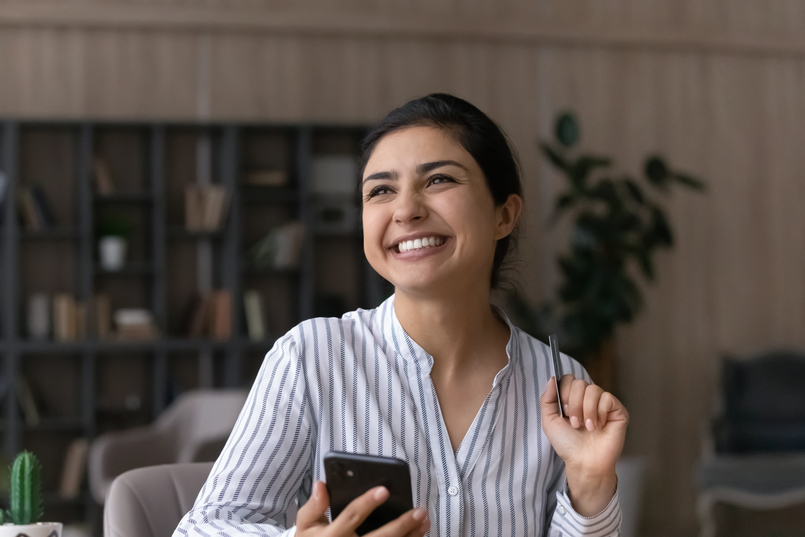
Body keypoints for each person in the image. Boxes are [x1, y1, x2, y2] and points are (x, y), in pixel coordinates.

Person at [174, 93, 629, 537]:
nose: (406, 210)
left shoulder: (561, 385)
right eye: (381, 190)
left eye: (438, 181)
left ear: (503, 214)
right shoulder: (310, 358)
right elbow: (202, 529)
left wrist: (590, 482)